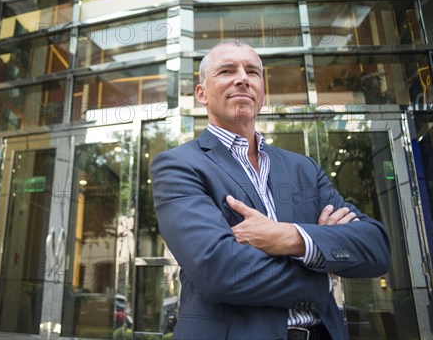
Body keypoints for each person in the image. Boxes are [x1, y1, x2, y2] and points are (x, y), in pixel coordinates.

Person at [151, 39, 391, 340]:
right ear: (201, 93)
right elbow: (219, 272)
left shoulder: (303, 168)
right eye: (227, 70)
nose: (242, 77)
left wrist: (290, 237)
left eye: (253, 72)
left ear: (262, 90)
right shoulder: (179, 165)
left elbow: (375, 248)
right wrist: (322, 272)